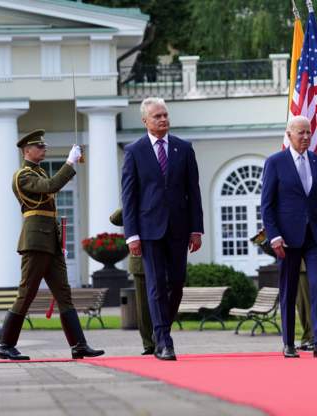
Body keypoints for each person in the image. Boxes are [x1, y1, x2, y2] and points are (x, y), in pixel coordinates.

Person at [0, 129, 104, 360]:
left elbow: (50, 188)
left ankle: (78, 344)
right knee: (27, 293)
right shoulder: (23, 176)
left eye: (44, 146)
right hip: (35, 242)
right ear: (27, 150)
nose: (44, 149)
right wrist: (69, 161)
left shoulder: (39, 172)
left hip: (50, 243)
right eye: (40, 147)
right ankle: (5, 344)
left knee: (64, 294)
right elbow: (51, 186)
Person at [121, 97, 204, 361]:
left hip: (179, 229)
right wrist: (131, 234)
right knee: (156, 285)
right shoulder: (134, 151)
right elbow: (129, 196)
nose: (163, 120)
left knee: (176, 283)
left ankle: (161, 331)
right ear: (145, 121)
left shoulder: (184, 148)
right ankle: (164, 341)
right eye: (157, 116)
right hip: (149, 230)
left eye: (165, 115)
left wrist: (196, 229)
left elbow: (194, 192)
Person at [261, 115, 317, 358]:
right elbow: (267, 205)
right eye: (300, 133)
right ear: (289, 134)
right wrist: (274, 236)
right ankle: (289, 343)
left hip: (315, 236)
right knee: (289, 289)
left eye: (308, 132)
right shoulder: (275, 162)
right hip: (287, 237)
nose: (305, 137)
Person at [110, 208, 156, 355]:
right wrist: (132, 200)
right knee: (143, 307)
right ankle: (148, 344)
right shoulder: (136, 204)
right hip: (140, 261)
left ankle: (161, 338)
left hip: (161, 259)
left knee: (161, 302)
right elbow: (114, 219)